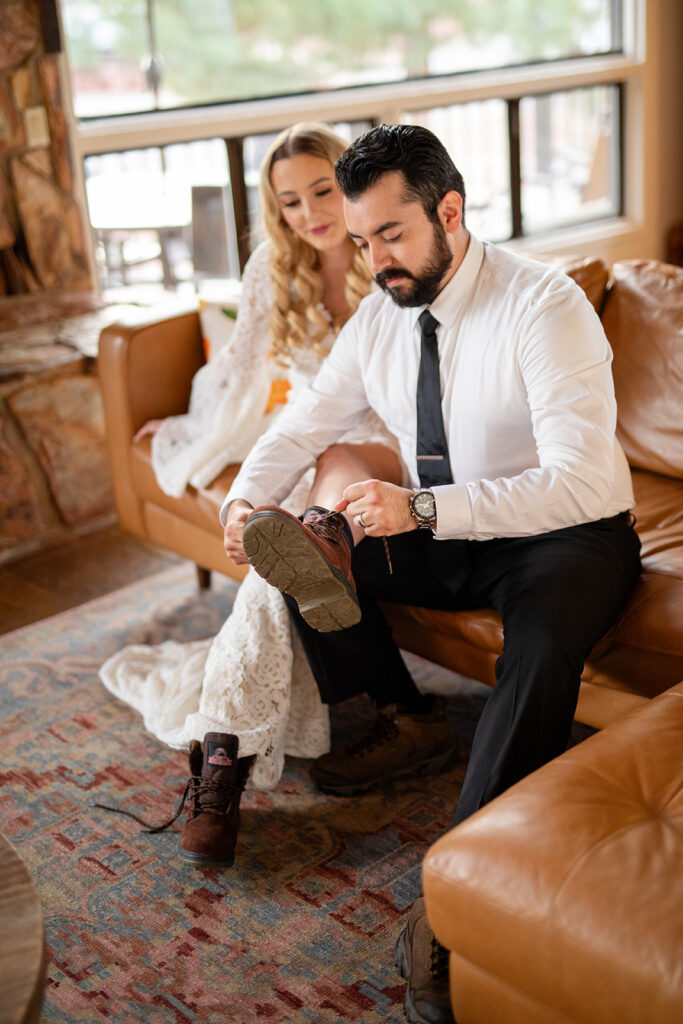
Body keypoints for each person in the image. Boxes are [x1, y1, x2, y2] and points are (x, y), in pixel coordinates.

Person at [221, 123, 642, 1024]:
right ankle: (403, 718)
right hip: (446, 524)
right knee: (303, 554)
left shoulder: (544, 305)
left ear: (449, 211)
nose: (375, 260)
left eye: (393, 236)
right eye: (363, 239)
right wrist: (245, 499)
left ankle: (453, 895)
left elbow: (578, 479)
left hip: (566, 537)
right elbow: (304, 425)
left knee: (534, 659)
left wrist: (417, 510)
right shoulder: (381, 314)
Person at [98, 122, 409, 859]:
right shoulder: (277, 264)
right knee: (278, 569)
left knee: (302, 516)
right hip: (315, 445)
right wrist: (191, 428)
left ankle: (219, 767)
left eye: (322, 190)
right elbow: (240, 367)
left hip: (391, 445)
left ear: (352, 181)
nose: (309, 214)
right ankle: (224, 752)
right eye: (290, 201)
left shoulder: (391, 252)